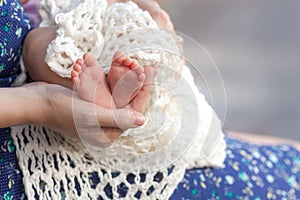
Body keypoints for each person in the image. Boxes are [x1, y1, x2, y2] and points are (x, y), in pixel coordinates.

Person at [1, 0, 299, 199]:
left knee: (45, 44)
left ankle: (106, 84)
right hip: (21, 138)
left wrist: (143, 10)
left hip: (31, 44)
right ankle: (103, 88)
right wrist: (37, 104)